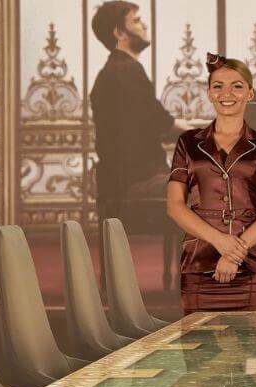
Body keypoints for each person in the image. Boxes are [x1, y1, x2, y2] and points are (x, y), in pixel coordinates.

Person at [166, 53, 256, 314]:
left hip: (252, 266)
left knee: (255, 353)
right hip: (198, 263)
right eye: (218, 86)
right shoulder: (187, 143)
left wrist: (235, 254)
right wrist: (220, 242)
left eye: (237, 86)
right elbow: (175, 206)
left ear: (250, 93)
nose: (226, 93)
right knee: (201, 352)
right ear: (209, 93)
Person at [90, 1, 191, 222]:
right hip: (136, 184)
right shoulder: (127, 70)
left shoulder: (113, 71)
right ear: (119, 32)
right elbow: (163, 123)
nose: (144, 25)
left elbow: (149, 121)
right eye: (136, 21)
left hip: (123, 182)